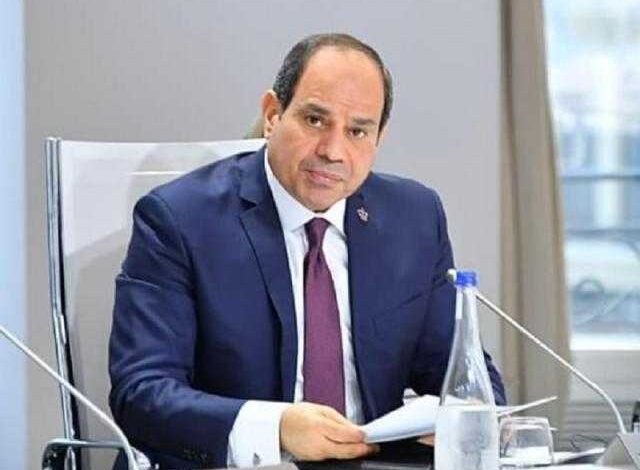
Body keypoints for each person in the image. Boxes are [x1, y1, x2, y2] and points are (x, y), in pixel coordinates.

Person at [109, 33, 505, 469]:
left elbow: (460, 372)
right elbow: (142, 393)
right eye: (315, 120)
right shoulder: (179, 220)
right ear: (272, 115)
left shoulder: (414, 218)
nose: (333, 151)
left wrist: (463, 415)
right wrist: (277, 428)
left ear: (379, 137)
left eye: (357, 131)